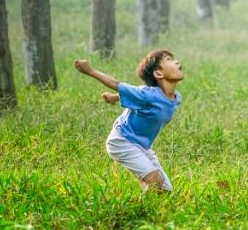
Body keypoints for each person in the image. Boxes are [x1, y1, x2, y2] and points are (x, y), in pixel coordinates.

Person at [73, 50, 184, 191]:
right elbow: (117, 84)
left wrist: (114, 97)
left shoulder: (176, 97)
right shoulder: (147, 94)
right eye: (169, 59)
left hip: (142, 147)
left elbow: (137, 96)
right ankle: (139, 210)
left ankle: (147, 195)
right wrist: (89, 70)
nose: (176, 62)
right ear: (158, 74)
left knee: (165, 190)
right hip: (122, 141)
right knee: (155, 181)